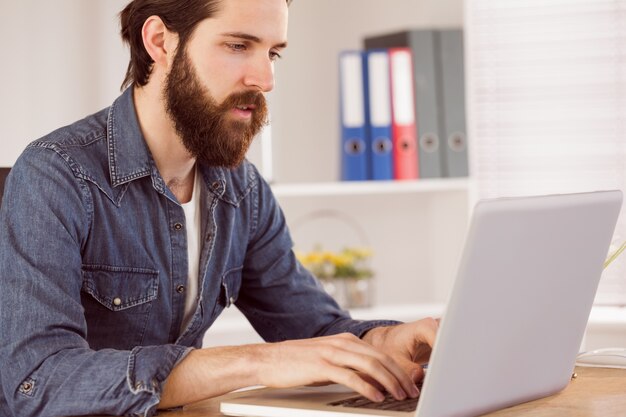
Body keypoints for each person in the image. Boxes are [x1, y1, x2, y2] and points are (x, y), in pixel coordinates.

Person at [0, 0, 439, 416]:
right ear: (160, 42)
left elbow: (312, 330)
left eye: (273, 53)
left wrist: (384, 340)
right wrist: (255, 362)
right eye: (238, 46)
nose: (265, 80)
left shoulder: (242, 189)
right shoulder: (56, 175)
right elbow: (36, 382)